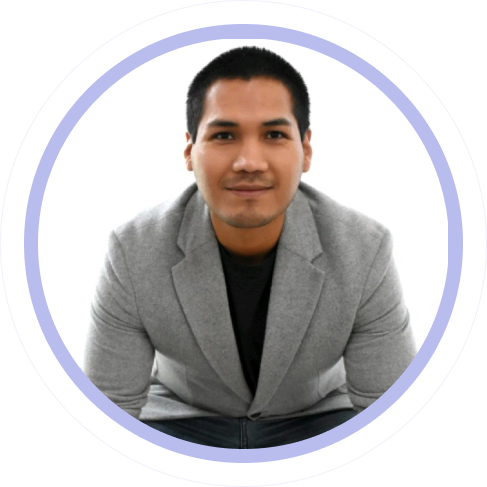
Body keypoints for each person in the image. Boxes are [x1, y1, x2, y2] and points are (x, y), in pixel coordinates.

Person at [84, 46, 416, 449]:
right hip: (183, 419)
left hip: (316, 418)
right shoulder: (133, 250)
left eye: (274, 135)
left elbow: (389, 409)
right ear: (189, 151)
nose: (249, 161)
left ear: (306, 150)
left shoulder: (364, 249)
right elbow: (109, 409)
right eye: (224, 135)